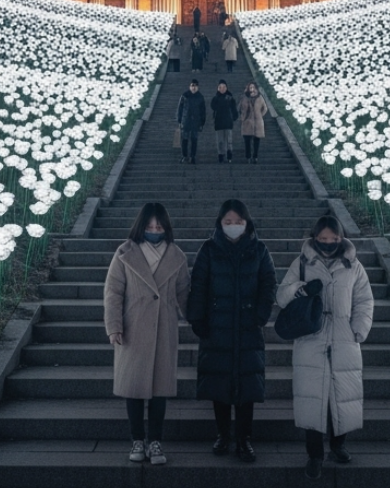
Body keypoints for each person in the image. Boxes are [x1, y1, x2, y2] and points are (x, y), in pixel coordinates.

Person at [276, 216, 374, 481]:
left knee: (343, 395)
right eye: (323, 239)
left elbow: (364, 300)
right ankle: (314, 454)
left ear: (341, 239)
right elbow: (282, 294)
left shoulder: (353, 266)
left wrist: (358, 329)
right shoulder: (302, 263)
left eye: (334, 239)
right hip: (311, 336)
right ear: (315, 237)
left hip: (344, 337)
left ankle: (339, 445)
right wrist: (300, 289)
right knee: (312, 398)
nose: (329, 243)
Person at [187, 199, 276, 463]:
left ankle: (244, 439)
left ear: (246, 223)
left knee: (247, 384)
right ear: (220, 223)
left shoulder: (259, 250)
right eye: (228, 222)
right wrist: (197, 318)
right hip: (218, 326)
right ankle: (223, 434)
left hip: (248, 326)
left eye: (238, 222)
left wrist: (261, 314)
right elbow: (198, 284)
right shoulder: (209, 249)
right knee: (219, 382)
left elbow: (268, 283)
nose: (234, 226)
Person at [104, 203, 191, 466]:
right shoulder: (124, 252)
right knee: (133, 388)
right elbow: (113, 292)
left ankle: (155, 441)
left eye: (159, 226)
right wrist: (114, 326)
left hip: (164, 327)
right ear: (141, 226)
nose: (155, 230)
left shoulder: (177, 255)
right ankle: (137, 439)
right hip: (133, 327)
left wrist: (198, 321)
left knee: (159, 389)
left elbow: (184, 294)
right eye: (150, 226)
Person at [176, 79, 206, 164]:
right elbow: (180, 109)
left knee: (194, 140)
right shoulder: (184, 96)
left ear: (198, 87)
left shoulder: (200, 97)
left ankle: (193, 156)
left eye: (195, 86)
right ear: (190, 86)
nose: (194, 87)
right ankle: (184, 156)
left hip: (196, 122)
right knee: (184, 140)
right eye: (192, 85)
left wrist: (202, 122)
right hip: (186, 121)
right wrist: (179, 120)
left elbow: (203, 111)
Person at [238, 82, 268, 163]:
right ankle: (248, 156)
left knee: (256, 141)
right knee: (247, 140)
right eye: (250, 87)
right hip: (247, 121)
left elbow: (265, 108)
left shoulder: (260, 98)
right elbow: (239, 108)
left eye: (253, 87)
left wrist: (260, 116)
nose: (252, 89)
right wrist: (242, 116)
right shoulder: (244, 97)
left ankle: (255, 156)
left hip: (257, 122)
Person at [209, 80, 239, 163]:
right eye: (220, 87)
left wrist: (234, 116)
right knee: (220, 141)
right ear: (218, 88)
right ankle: (221, 155)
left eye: (224, 87)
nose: (222, 89)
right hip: (218, 122)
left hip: (228, 122)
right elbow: (213, 106)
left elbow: (234, 109)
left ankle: (229, 155)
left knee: (229, 140)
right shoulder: (215, 98)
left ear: (226, 88)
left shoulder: (230, 98)